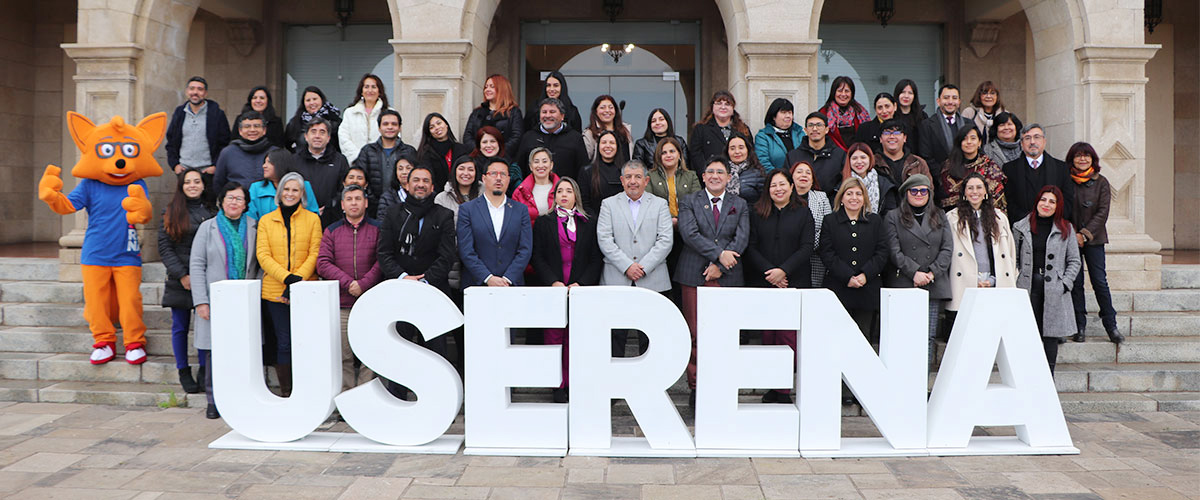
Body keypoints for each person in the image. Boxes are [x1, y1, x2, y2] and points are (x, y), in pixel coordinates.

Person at [676, 155, 750, 406]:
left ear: (728, 178)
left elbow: (741, 238)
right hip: (693, 274)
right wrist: (718, 254)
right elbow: (689, 233)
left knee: (725, 334)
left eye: (721, 172)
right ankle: (696, 388)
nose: (715, 176)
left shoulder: (739, 204)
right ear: (703, 177)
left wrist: (720, 266)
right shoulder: (688, 202)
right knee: (695, 333)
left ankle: (722, 385)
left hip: (728, 276)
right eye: (711, 171)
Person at [820, 177, 890, 407]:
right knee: (838, 341)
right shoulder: (830, 221)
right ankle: (839, 389)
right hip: (839, 290)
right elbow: (826, 252)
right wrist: (846, 276)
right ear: (841, 197)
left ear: (864, 199)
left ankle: (861, 388)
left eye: (858, 194)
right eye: (849, 194)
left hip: (866, 290)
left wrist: (864, 275)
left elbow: (882, 252)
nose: (854, 198)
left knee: (863, 340)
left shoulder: (875, 221)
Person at [531, 176, 602, 403]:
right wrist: (553, 281)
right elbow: (537, 257)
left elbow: (595, 258)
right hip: (554, 288)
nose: (564, 194)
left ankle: (573, 382)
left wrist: (580, 283)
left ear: (575, 196)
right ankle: (557, 385)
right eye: (559, 191)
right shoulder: (543, 222)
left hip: (579, 288)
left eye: (568, 191)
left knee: (576, 337)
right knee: (554, 336)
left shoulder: (589, 222)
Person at [746, 169, 814, 404]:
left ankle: (784, 389)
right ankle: (771, 386)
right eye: (773, 185)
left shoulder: (803, 213)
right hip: (765, 282)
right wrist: (771, 275)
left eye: (782, 184)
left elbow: (807, 247)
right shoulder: (757, 213)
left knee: (788, 337)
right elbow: (751, 247)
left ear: (791, 187)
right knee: (768, 336)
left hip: (793, 282)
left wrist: (783, 271)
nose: (778, 189)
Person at [191, 182, 258, 419]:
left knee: (243, 350)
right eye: (230, 197)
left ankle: (242, 396)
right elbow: (197, 264)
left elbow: (258, 264)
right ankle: (213, 399)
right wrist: (201, 301)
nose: (234, 202)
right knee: (215, 352)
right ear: (221, 201)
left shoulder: (254, 227)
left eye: (239, 199)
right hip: (215, 300)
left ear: (246, 205)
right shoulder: (207, 228)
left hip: (244, 298)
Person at [378, 164, 458, 360]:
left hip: (433, 290)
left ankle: (438, 391)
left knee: (436, 353)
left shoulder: (444, 215)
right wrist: (404, 278)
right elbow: (384, 253)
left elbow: (447, 256)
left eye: (425, 181)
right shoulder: (392, 213)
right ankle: (397, 392)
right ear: (407, 185)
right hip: (400, 290)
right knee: (399, 350)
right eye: (416, 180)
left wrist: (424, 282)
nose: (420, 185)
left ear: (432, 188)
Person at [256, 172, 323, 397]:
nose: (290, 194)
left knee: (306, 342)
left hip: (305, 290)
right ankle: (288, 392)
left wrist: (297, 280)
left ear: (302, 194)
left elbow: (315, 252)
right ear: (280, 192)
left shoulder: (312, 219)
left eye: (295, 190)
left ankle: (308, 390)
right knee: (283, 342)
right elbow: (263, 255)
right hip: (275, 291)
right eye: (287, 189)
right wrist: (287, 279)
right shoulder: (266, 220)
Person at [596, 160, 673, 356]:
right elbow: (605, 239)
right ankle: (614, 382)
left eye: (638, 177)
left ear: (646, 180)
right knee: (616, 336)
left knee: (650, 337)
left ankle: (649, 385)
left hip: (653, 279)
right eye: (628, 177)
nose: (633, 181)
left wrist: (643, 266)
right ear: (621, 181)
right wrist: (628, 266)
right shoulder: (608, 204)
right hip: (617, 278)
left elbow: (665, 240)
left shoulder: (660, 204)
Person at [317, 184, 383, 392]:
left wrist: (363, 285)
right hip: (342, 303)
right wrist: (349, 284)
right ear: (343, 205)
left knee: (369, 355)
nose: (354, 203)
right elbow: (323, 263)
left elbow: (382, 261)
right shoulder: (332, 231)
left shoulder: (378, 229)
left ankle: (366, 396)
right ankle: (346, 397)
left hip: (369, 302)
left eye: (358, 198)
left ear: (365, 203)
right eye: (349, 199)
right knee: (343, 355)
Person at [884, 174, 953, 368]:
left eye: (923, 191)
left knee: (928, 335)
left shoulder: (940, 215)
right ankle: (901, 378)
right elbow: (893, 250)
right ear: (906, 193)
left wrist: (931, 273)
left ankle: (921, 382)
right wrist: (914, 272)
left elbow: (947, 248)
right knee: (903, 334)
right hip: (904, 282)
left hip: (933, 283)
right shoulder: (892, 217)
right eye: (914, 191)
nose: (919, 194)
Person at [157, 169, 216, 395]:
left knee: (205, 324)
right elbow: (165, 247)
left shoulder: (211, 210)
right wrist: (182, 274)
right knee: (180, 327)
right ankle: (183, 370)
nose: (193, 185)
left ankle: (204, 369)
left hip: (205, 278)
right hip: (179, 279)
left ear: (203, 185)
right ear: (181, 186)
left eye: (197, 181)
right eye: (188, 182)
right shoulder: (171, 211)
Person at [1014, 185, 1081, 374]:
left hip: (1054, 288)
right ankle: (1028, 377)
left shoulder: (1066, 228)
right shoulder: (1020, 227)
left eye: (1052, 201)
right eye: (1043, 200)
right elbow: (1014, 259)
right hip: (1028, 287)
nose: (1046, 204)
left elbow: (1074, 260)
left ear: (1057, 206)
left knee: (1050, 336)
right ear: (1037, 202)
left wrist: (1065, 283)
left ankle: (1048, 379)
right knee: (1028, 333)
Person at [1066, 142, 1124, 344]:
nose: (1082, 159)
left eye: (1086, 156)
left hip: (1094, 238)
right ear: (1071, 159)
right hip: (1069, 239)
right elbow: (1062, 207)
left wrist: (1084, 234)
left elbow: (1102, 212)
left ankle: (1111, 325)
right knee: (1076, 283)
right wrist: (1073, 233)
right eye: (1078, 156)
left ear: (1093, 159)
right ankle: (1078, 326)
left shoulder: (1102, 182)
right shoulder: (1066, 180)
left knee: (1099, 281)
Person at [946, 173, 1018, 314]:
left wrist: (992, 280)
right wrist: (974, 280)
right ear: (964, 193)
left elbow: (1009, 253)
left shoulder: (999, 218)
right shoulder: (952, 218)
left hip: (993, 281)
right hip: (965, 282)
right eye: (970, 188)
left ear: (985, 191)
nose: (975, 192)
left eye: (979, 187)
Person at [457, 159, 533, 288]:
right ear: (484, 178)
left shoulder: (521, 210)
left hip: (511, 285)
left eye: (503, 174)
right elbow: (466, 250)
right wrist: (488, 278)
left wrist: (508, 278)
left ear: (509, 179)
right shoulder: (467, 210)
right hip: (477, 285)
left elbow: (525, 249)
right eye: (493, 174)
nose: (498, 178)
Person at [1002, 123, 1075, 224]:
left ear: (1044, 141)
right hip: (1022, 228)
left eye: (1037, 137)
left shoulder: (1061, 168)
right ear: (1021, 143)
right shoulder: (1009, 169)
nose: (1032, 142)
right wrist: (1028, 220)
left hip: (1053, 227)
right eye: (1027, 138)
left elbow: (1067, 200)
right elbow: (1009, 202)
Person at [166, 76, 231, 183]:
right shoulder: (179, 113)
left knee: (208, 200)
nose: (195, 92)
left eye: (200, 89)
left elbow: (225, 143)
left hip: (208, 171)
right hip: (184, 171)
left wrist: (215, 165)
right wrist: (175, 165)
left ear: (205, 93)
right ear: (187, 91)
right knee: (183, 200)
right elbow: (171, 142)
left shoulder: (217, 114)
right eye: (192, 88)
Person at [354, 109, 417, 218]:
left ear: (400, 127)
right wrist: (371, 198)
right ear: (379, 127)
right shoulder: (368, 151)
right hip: (372, 207)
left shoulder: (409, 151)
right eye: (385, 124)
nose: (390, 127)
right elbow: (361, 177)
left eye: (394, 124)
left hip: (401, 203)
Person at [516, 98, 590, 181]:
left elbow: (583, 170)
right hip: (533, 191)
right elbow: (519, 169)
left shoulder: (575, 138)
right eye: (544, 112)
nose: (547, 116)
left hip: (564, 192)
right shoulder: (528, 137)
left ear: (562, 116)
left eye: (552, 112)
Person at [289, 117, 349, 221]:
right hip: (301, 217)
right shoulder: (294, 160)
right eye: (313, 132)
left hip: (332, 218)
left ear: (328, 137)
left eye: (322, 132)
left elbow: (345, 189)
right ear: (306, 136)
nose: (317, 136)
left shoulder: (340, 160)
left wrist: (330, 206)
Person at [937, 126, 1006, 211]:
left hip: (987, 214)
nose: (969, 142)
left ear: (979, 142)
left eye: (973, 138)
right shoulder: (948, 167)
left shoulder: (990, 166)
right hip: (956, 215)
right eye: (964, 139)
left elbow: (997, 197)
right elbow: (945, 199)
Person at [246, 147, 319, 221]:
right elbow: (250, 219)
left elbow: (313, 215)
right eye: (264, 162)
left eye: (269, 162)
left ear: (280, 164)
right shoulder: (256, 188)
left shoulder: (304, 186)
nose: (264, 166)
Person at [785, 112, 846, 198]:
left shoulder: (839, 155)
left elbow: (844, 182)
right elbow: (787, 182)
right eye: (810, 125)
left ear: (826, 129)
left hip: (831, 206)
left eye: (819, 125)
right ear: (805, 130)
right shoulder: (792, 156)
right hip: (799, 205)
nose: (814, 129)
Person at [792, 161, 832, 288]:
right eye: (799, 172)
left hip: (816, 256)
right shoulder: (784, 198)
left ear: (812, 179)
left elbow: (827, 228)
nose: (804, 175)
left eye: (808, 173)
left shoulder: (822, 198)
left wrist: (807, 247)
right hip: (789, 257)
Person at [463, 74, 524, 156]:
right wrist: (479, 151)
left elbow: (516, 137)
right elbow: (468, 136)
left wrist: (498, 153)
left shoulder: (513, 112)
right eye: (486, 87)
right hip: (479, 159)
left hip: (503, 159)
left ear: (502, 89)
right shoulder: (477, 112)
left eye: (492, 86)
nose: (487, 90)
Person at [688, 90, 751, 169]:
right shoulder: (700, 129)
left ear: (733, 108)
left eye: (727, 104)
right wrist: (707, 174)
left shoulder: (743, 129)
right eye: (719, 103)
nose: (723, 107)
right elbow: (696, 156)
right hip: (710, 177)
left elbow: (751, 154)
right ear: (712, 107)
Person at [339, 74, 393, 164]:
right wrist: (358, 157)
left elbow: (394, 137)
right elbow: (343, 137)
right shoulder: (350, 113)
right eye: (366, 87)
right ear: (361, 91)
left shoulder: (389, 113)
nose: (370, 90)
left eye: (374, 87)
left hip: (381, 163)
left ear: (380, 91)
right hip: (356, 163)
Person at [917, 84, 971, 171]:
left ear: (959, 101)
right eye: (946, 98)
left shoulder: (969, 124)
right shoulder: (927, 125)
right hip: (939, 178)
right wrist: (944, 176)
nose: (950, 102)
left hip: (967, 177)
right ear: (938, 101)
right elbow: (925, 156)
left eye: (954, 98)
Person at [214, 111, 272, 190]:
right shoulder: (228, 152)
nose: (252, 130)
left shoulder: (274, 153)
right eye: (247, 126)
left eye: (256, 126)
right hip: (236, 200)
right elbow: (218, 182)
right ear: (240, 131)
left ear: (264, 130)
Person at [417, 113, 472, 193]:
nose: (437, 128)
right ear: (429, 132)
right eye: (432, 127)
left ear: (446, 124)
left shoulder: (461, 149)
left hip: (461, 194)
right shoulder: (425, 153)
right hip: (437, 197)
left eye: (439, 123)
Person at [577, 130, 627, 217]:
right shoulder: (587, 171)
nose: (608, 146)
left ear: (617, 146)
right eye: (604, 142)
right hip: (595, 223)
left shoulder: (626, 171)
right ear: (598, 146)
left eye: (612, 143)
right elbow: (584, 203)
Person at [842, 143, 898, 216]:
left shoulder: (884, 184)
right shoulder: (841, 184)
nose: (859, 162)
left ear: (870, 159)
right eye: (854, 158)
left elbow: (890, 214)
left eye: (863, 157)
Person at [873, 119, 931, 188]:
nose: (892, 137)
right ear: (880, 139)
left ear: (904, 138)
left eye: (896, 133)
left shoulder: (918, 163)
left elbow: (929, 190)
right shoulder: (872, 163)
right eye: (887, 133)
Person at [818, 76, 870, 151]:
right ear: (834, 92)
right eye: (840, 91)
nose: (843, 94)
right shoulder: (823, 113)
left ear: (852, 93)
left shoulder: (860, 112)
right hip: (832, 156)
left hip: (856, 156)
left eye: (847, 91)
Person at [284, 86, 341, 154]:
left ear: (321, 100)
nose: (312, 103)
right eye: (308, 100)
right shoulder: (295, 122)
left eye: (315, 99)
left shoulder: (334, 120)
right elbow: (287, 144)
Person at [754, 98, 805, 172]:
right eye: (783, 112)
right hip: (776, 180)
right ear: (774, 116)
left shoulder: (799, 133)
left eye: (790, 112)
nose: (788, 116)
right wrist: (780, 178)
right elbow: (763, 162)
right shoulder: (763, 136)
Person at [512, 147, 560, 223]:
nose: (540, 165)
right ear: (531, 166)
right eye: (536, 162)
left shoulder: (562, 189)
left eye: (544, 161)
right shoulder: (520, 192)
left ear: (551, 165)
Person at [583, 95, 633, 162]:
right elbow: (585, 159)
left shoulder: (625, 130)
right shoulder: (590, 133)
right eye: (602, 108)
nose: (607, 110)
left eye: (611, 107)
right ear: (596, 111)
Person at [375, 151, 418, 220]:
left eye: (408, 168)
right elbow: (382, 222)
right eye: (400, 169)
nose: (404, 172)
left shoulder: (423, 192)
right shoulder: (387, 197)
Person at [725, 133, 765, 204]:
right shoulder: (722, 172)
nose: (737, 152)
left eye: (741, 148)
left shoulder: (757, 173)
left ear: (747, 149)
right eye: (732, 148)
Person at [893, 79, 928, 152]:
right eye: (903, 92)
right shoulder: (892, 115)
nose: (906, 96)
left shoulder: (922, 116)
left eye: (910, 93)